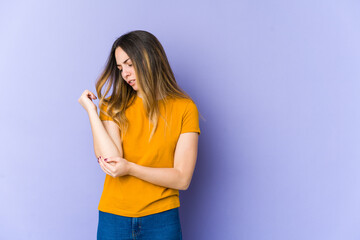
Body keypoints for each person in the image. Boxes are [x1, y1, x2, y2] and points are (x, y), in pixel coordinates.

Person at [78, 30, 200, 240]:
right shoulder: (112, 105)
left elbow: (182, 179)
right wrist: (91, 111)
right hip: (114, 217)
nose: (124, 73)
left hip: (162, 218)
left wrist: (131, 168)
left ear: (150, 58)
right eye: (120, 68)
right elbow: (111, 161)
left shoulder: (185, 108)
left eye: (129, 64)